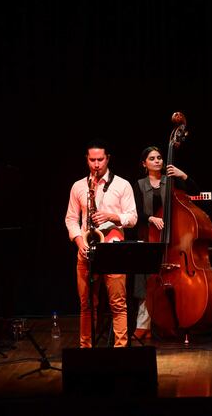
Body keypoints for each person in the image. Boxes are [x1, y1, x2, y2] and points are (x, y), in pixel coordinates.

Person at [65, 139, 137, 347]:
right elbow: (71, 219)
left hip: (113, 249)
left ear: (108, 159)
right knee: (86, 305)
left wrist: (110, 216)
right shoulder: (79, 186)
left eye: (100, 159)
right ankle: (86, 349)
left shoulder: (122, 185)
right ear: (87, 160)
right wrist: (80, 242)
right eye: (92, 160)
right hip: (86, 249)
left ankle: (121, 349)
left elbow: (132, 218)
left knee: (118, 304)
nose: (96, 164)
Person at [131, 145, 199, 340]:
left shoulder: (171, 182)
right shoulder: (139, 185)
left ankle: (169, 321)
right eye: (152, 158)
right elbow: (134, 212)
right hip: (148, 236)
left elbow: (195, 193)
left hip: (172, 240)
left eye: (159, 157)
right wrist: (151, 218)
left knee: (170, 280)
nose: (157, 161)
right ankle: (143, 324)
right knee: (147, 280)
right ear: (144, 164)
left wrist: (182, 175)